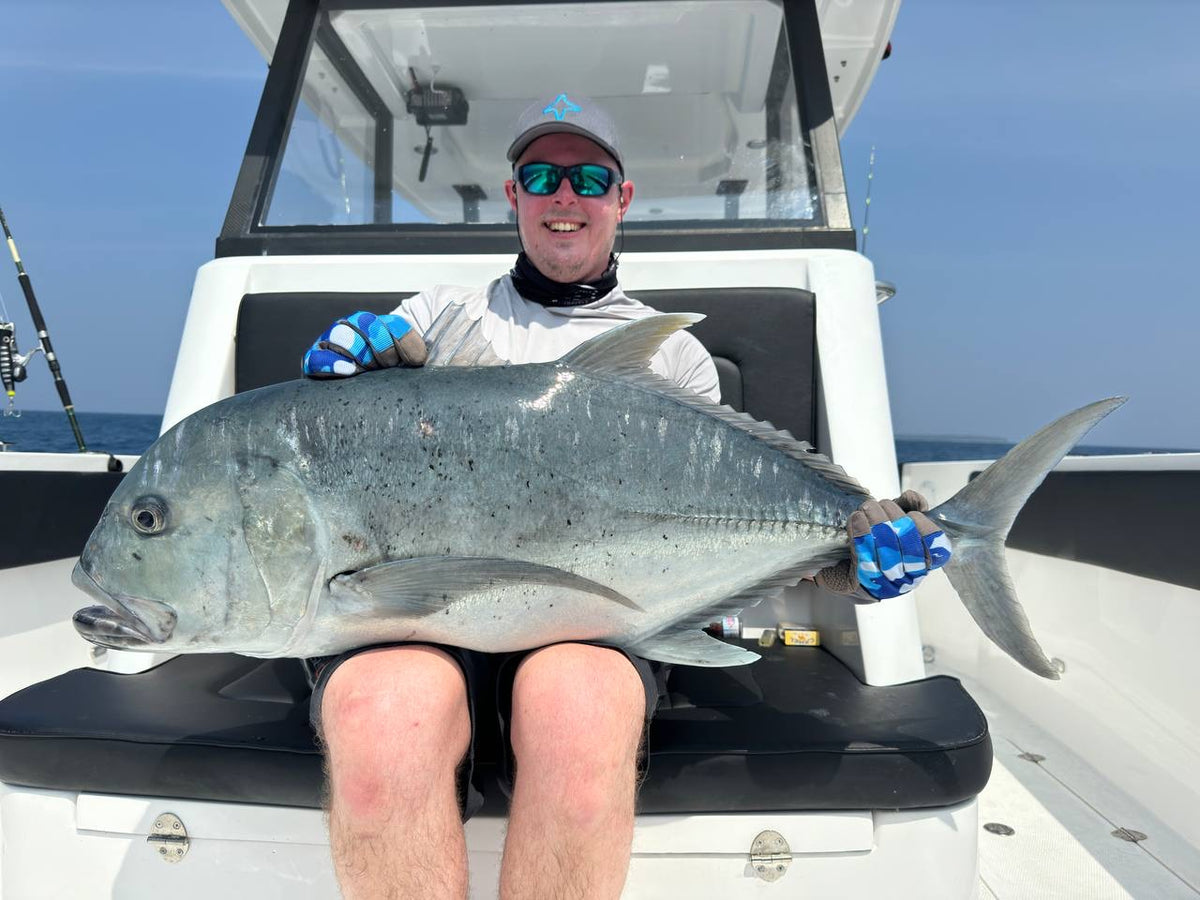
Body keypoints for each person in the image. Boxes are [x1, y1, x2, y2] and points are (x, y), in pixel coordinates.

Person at [300, 93, 949, 900]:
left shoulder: (671, 360)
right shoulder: (437, 317)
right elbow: (342, 469)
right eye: (542, 177)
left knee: (578, 712)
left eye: (588, 178)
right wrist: (347, 377)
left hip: (597, 625)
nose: (564, 196)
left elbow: (717, 530)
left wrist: (843, 564)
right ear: (513, 195)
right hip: (425, 618)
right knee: (378, 715)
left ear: (621, 197)